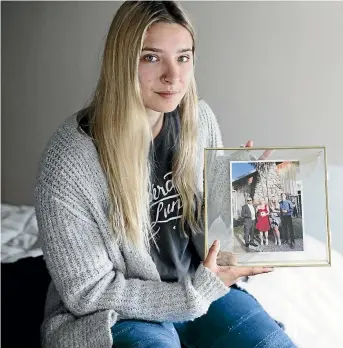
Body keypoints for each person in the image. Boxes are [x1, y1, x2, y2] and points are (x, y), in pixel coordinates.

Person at [34, 2, 295, 347]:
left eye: (183, 57)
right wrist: (192, 295)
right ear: (122, 62)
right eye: (152, 58)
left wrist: (246, 197)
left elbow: (213, 237)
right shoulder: (70, 160)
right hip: (118, 312)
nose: (174, 76)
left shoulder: (198, 120)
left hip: (201, 290)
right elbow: (87, 292)